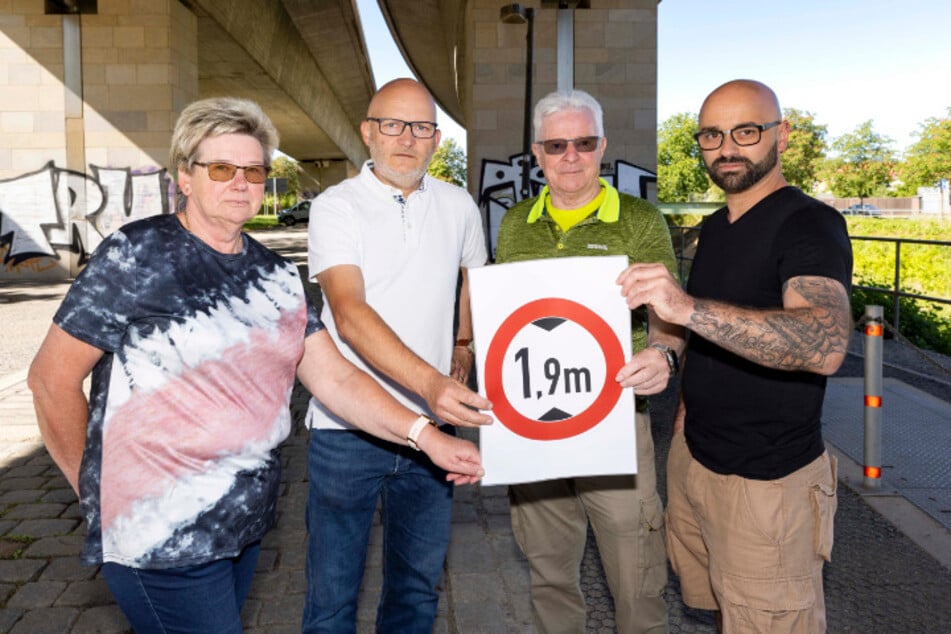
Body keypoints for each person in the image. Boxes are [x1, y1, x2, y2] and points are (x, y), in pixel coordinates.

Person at [27, 96, 484, 634]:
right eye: (221, 168)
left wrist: (427, 436)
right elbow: (50, 380)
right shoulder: (138, 252)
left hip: (241, 528)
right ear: (186, 177)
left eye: (253, 170)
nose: (240, 182)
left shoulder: (277, 276)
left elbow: (335, 378)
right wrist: (97, 494)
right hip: (160, 536)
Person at [617, 79, 853, 632]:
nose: (727, 148)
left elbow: (825, 344)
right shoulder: (716, 228)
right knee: (717, 612)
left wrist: (686, 306)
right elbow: (700, 334)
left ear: (782, 136)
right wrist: (670, 365)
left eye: (746, 131)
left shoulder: (810, 223)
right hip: (695, 459)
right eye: (712, 135)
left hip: (768, 484)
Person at [303, 78, 493, 633]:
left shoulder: (459, 205)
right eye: (392, 124)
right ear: (368, 131)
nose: (406, 138)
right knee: (332, 600)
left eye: (422, 127)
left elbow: (470, 282)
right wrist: (430, 383)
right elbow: (349, 314)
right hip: (347, 429)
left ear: (437, 139)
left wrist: (463, 343)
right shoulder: (336, 207)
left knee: (415, 593)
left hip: (434, 434)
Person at [494, 89, 683, 634]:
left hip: (618, 420)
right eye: (557, 144)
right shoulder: (513, 226)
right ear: (537, 152)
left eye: (583, 142)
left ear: (602, 146)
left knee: (637, 579)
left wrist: (664, 353)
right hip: (534, 430)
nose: (570, 155)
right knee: (549, 574)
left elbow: (670, 315)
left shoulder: (641, 220)